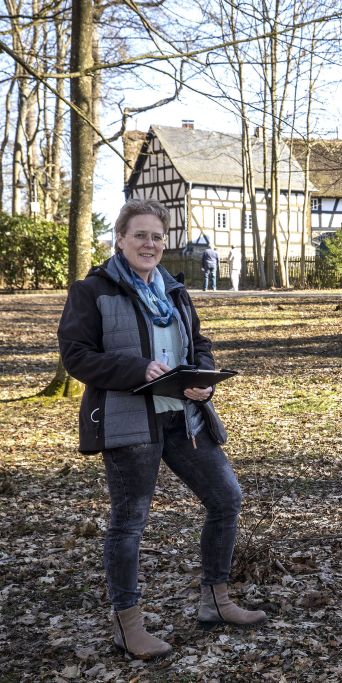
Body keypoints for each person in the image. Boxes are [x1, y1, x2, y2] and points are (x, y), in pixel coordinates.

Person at [57, 199, 266, 659]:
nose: (149, 244)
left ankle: (215, 600)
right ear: (120, 239)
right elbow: (75, 356)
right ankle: (127, 625)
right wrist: (135, 368)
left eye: (157, 236)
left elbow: (200, 343)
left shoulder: (174, 290)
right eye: (140, 235)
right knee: (129, 522)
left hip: (184, 419)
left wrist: (202, 380)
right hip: (130, 421)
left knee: (226, 497)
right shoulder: (93, 291)